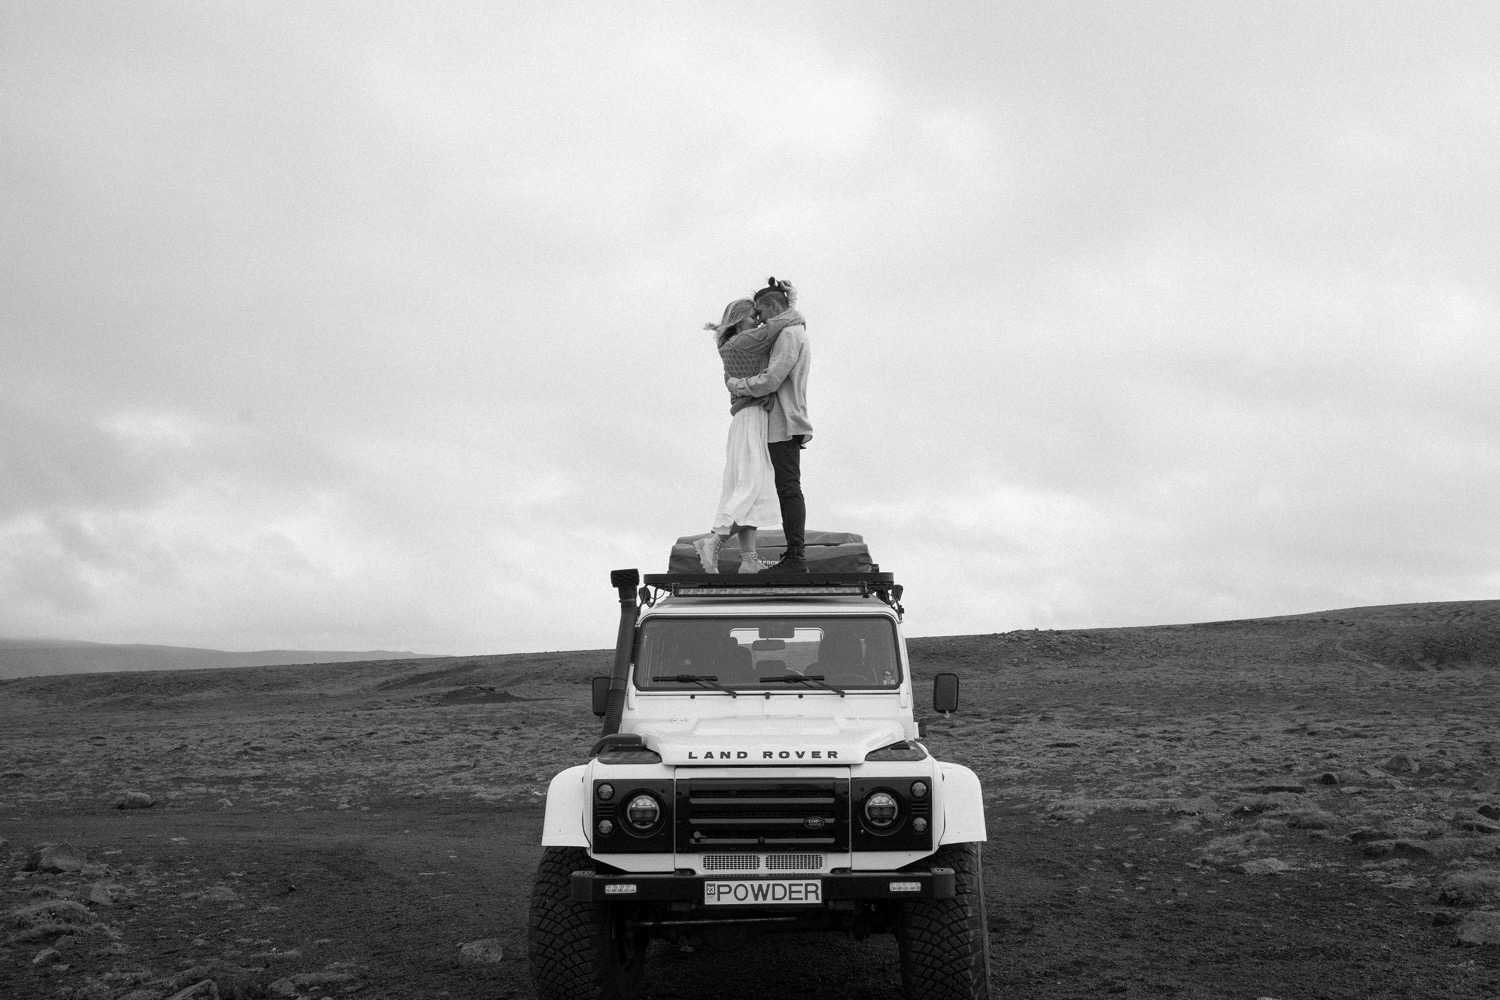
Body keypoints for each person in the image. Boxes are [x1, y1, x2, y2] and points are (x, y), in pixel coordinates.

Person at [692, 295, 806, 574]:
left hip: (744, 419)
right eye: (752, 315)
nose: (758, 319)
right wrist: (792, 306)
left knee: (746, 487)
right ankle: (714, 540)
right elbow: (785, 322)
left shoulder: (729, 347)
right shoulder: (747, 341)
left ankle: (749, 559)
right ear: (739, 320)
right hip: (753, 418)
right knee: (752, 487)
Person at [726, 278, 812, 573]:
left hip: (782, 421)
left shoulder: (788, 334)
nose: (760, 321)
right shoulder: (788, 329)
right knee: (777, 486)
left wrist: (739, 385)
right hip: (780, 419)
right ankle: (784, 556)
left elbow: (772, 379)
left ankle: (796, 557)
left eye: (761, 313)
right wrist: (792, 300)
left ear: (774, 306)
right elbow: (784, 312)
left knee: (787, 488)